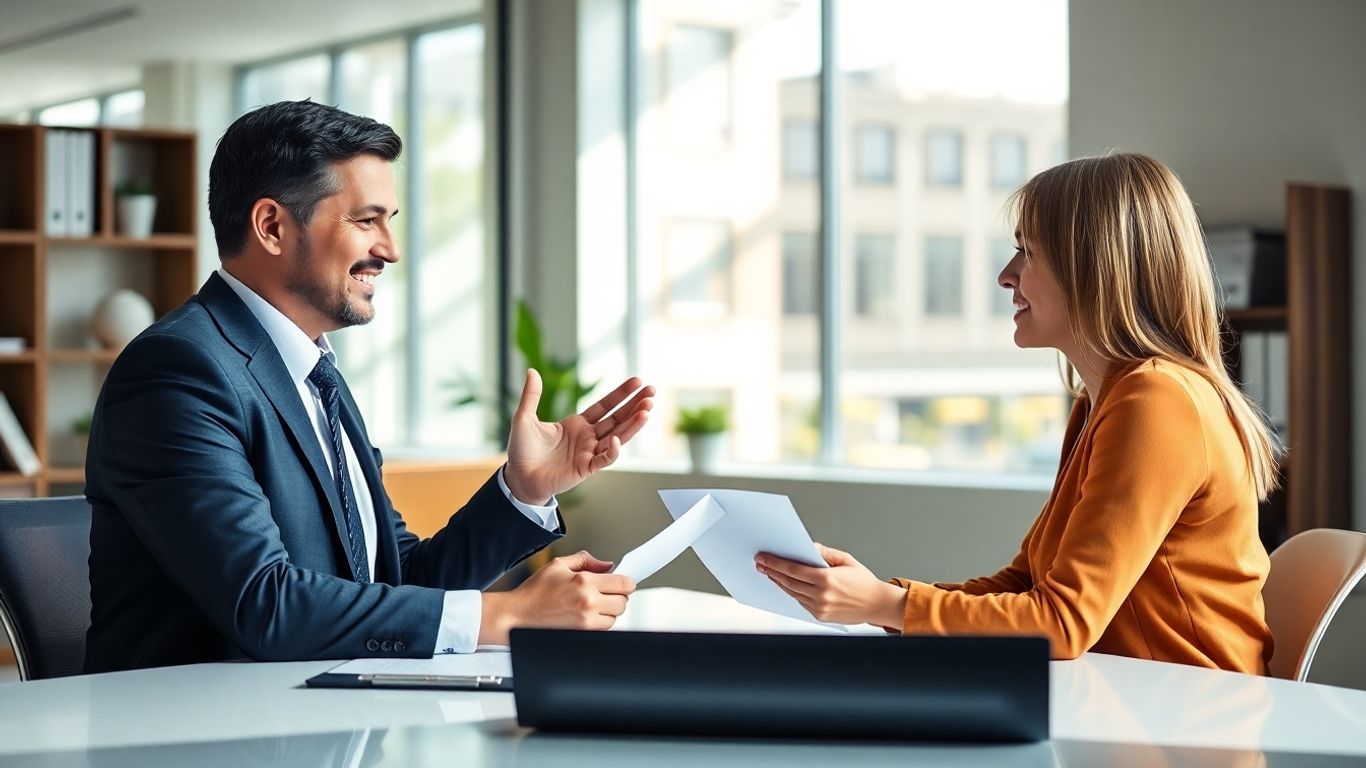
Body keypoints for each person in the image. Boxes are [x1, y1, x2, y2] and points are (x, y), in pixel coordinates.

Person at [84, 100, 654, 673]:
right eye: (365, 221)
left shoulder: (314, 374)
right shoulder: (178, 370)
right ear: (273, 227)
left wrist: (522, 490)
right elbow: (264, 605)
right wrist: (501, 616)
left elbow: (396, 578)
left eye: (390, 221)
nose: (390, 249)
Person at [756, 152, 1278, 674]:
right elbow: (1025, 586)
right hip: (1127, 697)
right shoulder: (1101, 403)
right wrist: (879, 598)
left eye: (1027, 253)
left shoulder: (1158, 403)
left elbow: (1062, 623)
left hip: (1191, 720)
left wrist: (886, 606)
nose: (1007, 276)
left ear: (1092, 267)